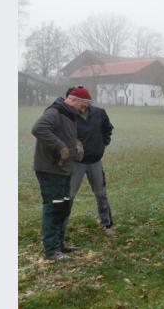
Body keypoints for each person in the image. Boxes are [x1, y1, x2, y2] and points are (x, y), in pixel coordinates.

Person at [31, 87, 89, 261]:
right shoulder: (55, 112)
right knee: (53, 208)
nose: (84, 109)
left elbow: (66, 134)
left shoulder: (69, 115)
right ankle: (51, 251)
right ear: (73, 100)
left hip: (64, 169)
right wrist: (60, 146)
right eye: (83, 105)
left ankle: (59, 245)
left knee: (63, 207)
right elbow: (38, 129)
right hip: (50, 169)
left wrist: (77, 144)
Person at [63, 86, 116, 238]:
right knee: (69, 195)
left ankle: (107, 224)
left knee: (101, 194)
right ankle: (60, 229)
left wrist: (104, 144)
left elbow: (108, 129)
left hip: (95, 161)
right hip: (75, 163)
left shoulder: (99, 113)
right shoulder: (67, 116)